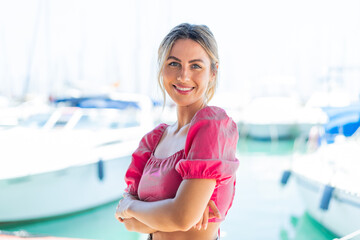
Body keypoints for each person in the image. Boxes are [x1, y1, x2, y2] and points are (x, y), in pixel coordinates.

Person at [115, 23, 239, 240]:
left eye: (196, 66)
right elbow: (128, 224)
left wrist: (131, 205)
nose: (183, 76)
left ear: (213, 72)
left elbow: (181, 217)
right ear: (162, 68)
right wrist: (170, 212)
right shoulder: (154, 140)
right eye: (174, 63)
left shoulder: (212, 126)